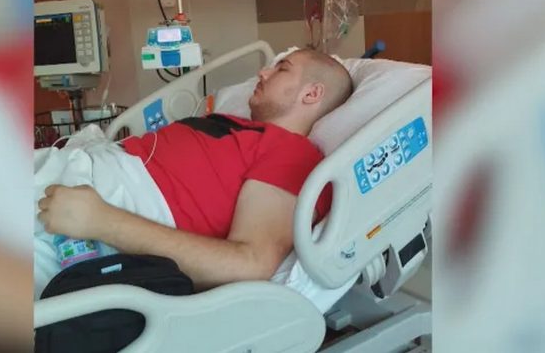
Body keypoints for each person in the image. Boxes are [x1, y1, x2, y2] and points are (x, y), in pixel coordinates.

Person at [36, 49, 353, 290]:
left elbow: (251, 263)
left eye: (281, 69)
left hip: (99, 208)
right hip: (78, 170)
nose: (263, 71)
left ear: (312, 93)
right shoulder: (236, 126)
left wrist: (103, 220)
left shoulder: (293, 154)